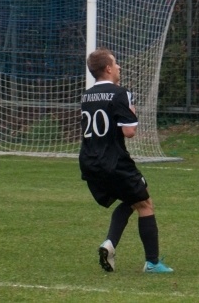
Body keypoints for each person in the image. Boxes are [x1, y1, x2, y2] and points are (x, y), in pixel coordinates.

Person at [79, 47, 173, 273]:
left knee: (132, 200)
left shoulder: (86, 96)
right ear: (108, 68)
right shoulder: (120, 93)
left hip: (89, 162)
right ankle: (152, 263)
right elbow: (129, 131)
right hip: (114, 162)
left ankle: (109, 245)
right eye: (115, 63)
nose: (119, 66)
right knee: (145, 203)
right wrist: (131, 110)